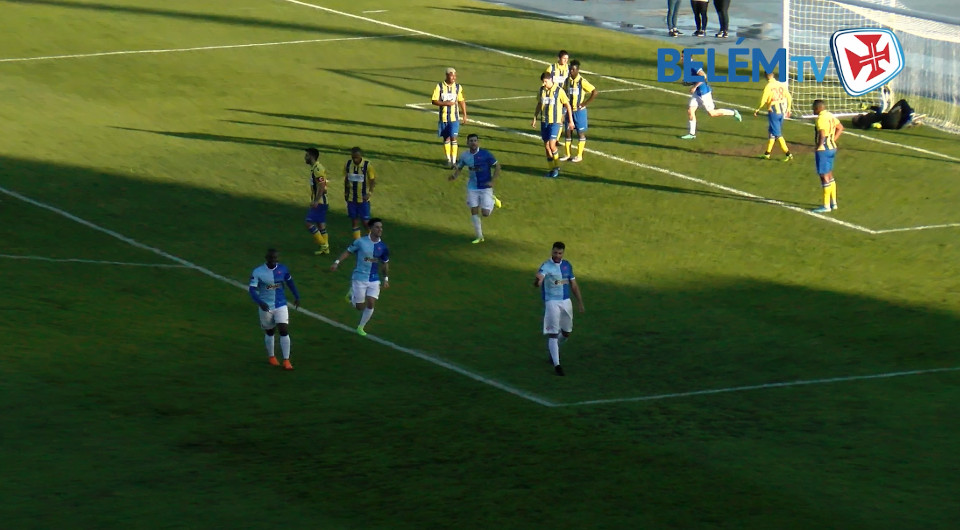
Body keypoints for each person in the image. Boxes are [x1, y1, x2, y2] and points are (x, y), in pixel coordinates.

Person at [330, 218, 389, 337]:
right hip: (359, 277)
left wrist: (386, 279)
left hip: (374, 278)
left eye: (381, 227)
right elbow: (348, 251)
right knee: (359, 307)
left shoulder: (383, 247)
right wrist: (337, 262)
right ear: (371, 228)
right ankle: (352, 294)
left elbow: (385, 263)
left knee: (371, 303)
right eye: (377, 227)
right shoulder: (360, 242)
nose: (380, 229)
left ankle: (361, 327)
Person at [534, 242, 584, 376]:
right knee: (553, 333)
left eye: (559, 253)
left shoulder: (567, 265)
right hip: (552, 302)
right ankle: (557, 365)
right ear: (552, 251)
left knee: (566, 332)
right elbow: (539, 281)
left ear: (563, 253)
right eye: (555, 252)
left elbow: (573, 284)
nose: (557, 255)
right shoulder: (546, 266)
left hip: (566, 301)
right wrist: (537, 281)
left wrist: (580, 302)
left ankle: (553, 349)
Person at [249, 249, 300, 370]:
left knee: (283, 330)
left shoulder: (283, 269)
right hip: (266, 306)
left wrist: (297, 296)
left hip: (281, 304)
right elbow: (252, 289)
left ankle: (286, 360)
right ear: (266, 258)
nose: (273, 260)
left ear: (277, 258)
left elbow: (290, 282)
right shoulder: (258, 272)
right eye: (271, 258)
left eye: (275, 258)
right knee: (270, 331)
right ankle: (272, 357)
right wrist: (260, 302)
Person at [450, 133, 503, 243]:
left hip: (485, 187)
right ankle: (479, 236)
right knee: (474, 210)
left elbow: (497, 166)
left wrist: (492, 181)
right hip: (472, 187)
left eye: (475, 141)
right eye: (471, 141)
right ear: (467, 143)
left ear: (478, 142)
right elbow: (460, 167)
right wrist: (454, 176)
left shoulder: (485, 154)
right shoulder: (465, 155)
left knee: (485, 213)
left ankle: (493, 200)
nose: (473, 143)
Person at [679, 56, 741, 140]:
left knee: (712, 113)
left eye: (683, 56)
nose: (681, 58)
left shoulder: (693, 65)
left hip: (704, 93)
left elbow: (703, 76)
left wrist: (694, 87)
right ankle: (692, 134)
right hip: (697, 93)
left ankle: (733, 112)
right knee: (690, 110)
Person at [532, 71, 576, 178]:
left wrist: (571, 121)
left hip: (555, 122)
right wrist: (535, 117)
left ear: (550, 80)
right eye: (543, 82)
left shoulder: (559, 91)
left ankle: (556, 167)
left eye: (545, 82)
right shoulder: (541, 90)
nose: (544, 84)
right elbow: (539, 104)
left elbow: (567, 105)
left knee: (552, 145)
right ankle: (551, 169)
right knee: (547, 146)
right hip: (544, 121)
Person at [559, 60, 598, 163]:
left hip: (579, 112)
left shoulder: (582, 81)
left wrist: (584, 103)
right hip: (569, 111)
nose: (571, 71)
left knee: (580, 133)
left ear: (577, 70)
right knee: (568, 133)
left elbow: (594, 92)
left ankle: (579, 155)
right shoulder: (567, 81)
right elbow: (562, 92)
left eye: (573, 69)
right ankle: (567, 154)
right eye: (570, 69)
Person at [431, 67, 468, 168]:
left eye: (455, 76)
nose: (454, 78)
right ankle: (448, 159)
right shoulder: (439, 86)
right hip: (443, 118)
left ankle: (454, 161)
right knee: (446, 138)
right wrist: (445, 103)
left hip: (454, 118)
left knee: (453, 137)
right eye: (452, 76)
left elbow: (461, 101)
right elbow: (434, 100)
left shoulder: (458, 87)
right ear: (447, 75)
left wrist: (464, 115)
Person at [753, 71, 793, 161]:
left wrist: (757, 109)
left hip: (774, 112)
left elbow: (763, 100)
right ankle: (767, 154)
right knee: (772, 132)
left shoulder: (768, 86)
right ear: (773, 75)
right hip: (781, 111)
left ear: (765, 77)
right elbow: (789, 97)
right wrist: (789, 108)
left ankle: (788, 154)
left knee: (777, 134)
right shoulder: (780, 84)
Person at [812, 99, 843, 213]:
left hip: (824, 150)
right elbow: (840, 127)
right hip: (832, 148)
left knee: (824, 176)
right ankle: (833, 203)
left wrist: (819, 145)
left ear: (818, 108)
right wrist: (833, 140)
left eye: (814, 108)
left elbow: (822, 133)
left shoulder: (820, 119)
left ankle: (826, 205)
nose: (813, 110)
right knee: (830, 174)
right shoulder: (830, 115)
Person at [344, 147, 376, 240]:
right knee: (354, 221)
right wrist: (346, 192)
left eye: (357, 157)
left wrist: (369, 193)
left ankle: (374, 240)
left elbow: (372, 180)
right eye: (353, 157)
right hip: (351, 198)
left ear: (361, 156)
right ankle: (358, 242)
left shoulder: (367, 165)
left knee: (365, 222)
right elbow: (346, 179)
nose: (355, 159)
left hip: (363, 199)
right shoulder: (348, 164)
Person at [303, 148, 331, 255]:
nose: (305, 157)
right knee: (321, 225)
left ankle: (323, 245)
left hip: (320, 202)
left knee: (308, 222)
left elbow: (322, 185)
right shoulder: (315, 168)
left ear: (312, 156)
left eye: (307, 155)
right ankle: (325, 249)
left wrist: (316, 200)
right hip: (322, 201)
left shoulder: (317, 169)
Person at [852, 98, 925, 130]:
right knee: (902, 103)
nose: (857, 114)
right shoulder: (868, 117)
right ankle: (910, 118)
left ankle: (910, 120)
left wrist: (875, 125)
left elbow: (872, 126)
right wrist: (869, 107)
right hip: (889, 119)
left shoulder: (864, 125)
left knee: (906, 112)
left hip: (894, 127)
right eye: (856, 116)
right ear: (858, 118)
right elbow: (879, 110)